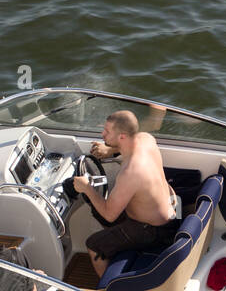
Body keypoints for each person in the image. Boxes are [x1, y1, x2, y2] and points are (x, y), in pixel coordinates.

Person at [73, 110, 180, 276]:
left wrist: (87, 188)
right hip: (173, 212)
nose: (102, 134)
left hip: (154, 231)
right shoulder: (147, 139)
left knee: (93, 244)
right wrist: (110, 151)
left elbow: (110, 215)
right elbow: (130, 150)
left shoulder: (130, 172)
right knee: (100, 210)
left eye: (107, 132)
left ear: (122, 137)